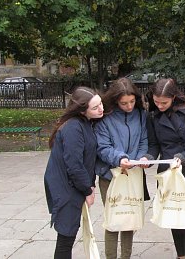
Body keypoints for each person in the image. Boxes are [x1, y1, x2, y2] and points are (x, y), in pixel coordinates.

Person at [146, 78, 185, 259]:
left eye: (164, 102)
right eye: (156, 102)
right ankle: (181, 256)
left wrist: (183, 157)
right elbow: (154, 144)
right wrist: (148, 157)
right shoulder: (153, 115)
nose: (160, 105)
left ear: (173, 97)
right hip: (167, 173)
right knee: (172, 216)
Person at [44, 87, 104, 259]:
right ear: (82, 110)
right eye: (95, 107)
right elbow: (75, 165)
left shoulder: (84, 122)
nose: (101, 109)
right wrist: (88, 189)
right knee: (66, 236)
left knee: (68, 234)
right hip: (66, 188)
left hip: (71, 185)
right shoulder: (73, 128)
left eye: (100, 103)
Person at [94, 77, 150, 259]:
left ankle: (126, 256)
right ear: (115, 101)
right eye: (124, 103)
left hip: (132, 174)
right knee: (114, 219)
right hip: (110, 175)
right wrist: (120, 158)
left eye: (132, 101)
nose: (129, 106)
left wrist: (142, 156)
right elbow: (102, 147)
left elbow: (143, 140)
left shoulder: (140, 114)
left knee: (130, 218)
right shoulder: (105, 116)